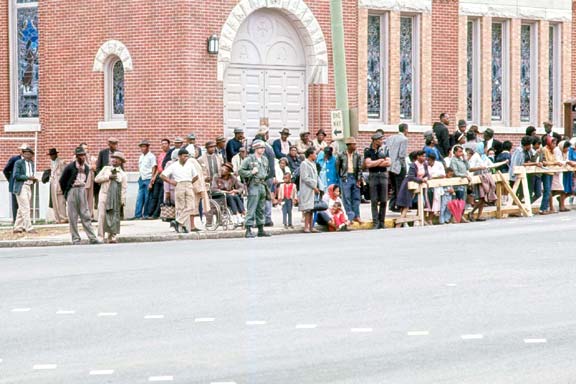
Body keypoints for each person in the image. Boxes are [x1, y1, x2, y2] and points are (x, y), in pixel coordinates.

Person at [59, 147, 101, 244]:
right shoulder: (70, 167)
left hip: (82, 189)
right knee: (73, 216)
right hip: (72, 190)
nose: (82, 157)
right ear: (77, 156)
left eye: (83, 155)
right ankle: (75, 239)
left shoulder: (86, 167)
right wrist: (67, 192)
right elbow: (62, 181)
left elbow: (85, 179)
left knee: (85, 214)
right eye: (80, 155)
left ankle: (92, 238)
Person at [160, 148, 200, 233]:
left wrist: (189, 182)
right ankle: (183, 227)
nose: (186, 158)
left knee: (191, 206)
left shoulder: (190, 165)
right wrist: (171, 181)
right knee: (180, 207)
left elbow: (196, 176)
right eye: (184, 156)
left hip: (189, 184)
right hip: (179, 185)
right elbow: (162, 175)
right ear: (179, 156)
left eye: (187, 156)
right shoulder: (174, 165)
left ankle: (177, 221)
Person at [239, 140, 271, 238]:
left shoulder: (265, 159)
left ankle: (260, 228)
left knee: (261, 208)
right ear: (256, 148)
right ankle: (248, 229)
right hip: (254, 184)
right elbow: (240, 171)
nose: (263, 149)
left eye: (263, 148)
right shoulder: (249, 159)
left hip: (262, 184)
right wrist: (251, 173)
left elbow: (267, 171)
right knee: (251, 207)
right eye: (261, 148)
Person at [94, 152, 127, 243]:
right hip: (104, 194)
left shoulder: (123, 174)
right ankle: (101, 236)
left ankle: (111, 236)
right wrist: (108, 177)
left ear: (120, 161)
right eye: (113, 158)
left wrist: (122, 201)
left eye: (116, 158)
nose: (114, 160)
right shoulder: (106, 169)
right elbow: (96, 179)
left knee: (113, 216)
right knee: (102, 216)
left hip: (115, 197)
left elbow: (124, 188)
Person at [364, 132, 391, 229]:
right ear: (374, 141)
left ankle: (382, 221)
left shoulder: (385, 149)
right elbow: (368, 164)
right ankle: (375, 222)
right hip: (373, 175)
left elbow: (388, 163)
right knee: (374, 200)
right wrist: (380, 161)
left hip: (383, 175)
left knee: (384, 200)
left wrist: (375, 163)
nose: (381, 141)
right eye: (380, 139)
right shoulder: (368, 151)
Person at [251, 126, 276, 226]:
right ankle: (264, 218)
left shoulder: (264, 146)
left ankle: (264, 219)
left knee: (263, 197)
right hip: (266, 175)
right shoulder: (264, 145)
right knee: (264, 197)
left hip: (266, 176)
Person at [396, 151, 429, 226]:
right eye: (423, 156)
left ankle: (417, 220)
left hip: (420, 185)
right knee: (406, 203)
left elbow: (427, 173)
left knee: (422, 203)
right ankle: (402, 222)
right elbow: (411, 176)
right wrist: (420, 180)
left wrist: (426, 178)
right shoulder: (413, 165)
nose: (424, 158)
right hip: (410, 184)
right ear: (418, 157)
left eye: (425, 156)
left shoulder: (425, 164)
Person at [336, 137, 363, 223]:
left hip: (354, 177)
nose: (355, 146)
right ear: (348, 145)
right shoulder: (341, 155)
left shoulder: (357, 155)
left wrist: (359, 179)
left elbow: (360, 168)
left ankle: (357, 215)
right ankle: (349, 216)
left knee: (356, 197)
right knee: (346, 197)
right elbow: (337, 167)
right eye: (353, 144)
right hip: (345, 177)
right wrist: (341, 177)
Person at [12, 147, 37, 234]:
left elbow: (31, 174)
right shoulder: (18, 163)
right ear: (22, 154)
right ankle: (29, 227)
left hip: (29, 186)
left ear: (32, 155)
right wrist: (27, 177)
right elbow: (16, 175)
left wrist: (33, 179)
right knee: (26, 207)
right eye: (25, 153)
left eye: (29, 154)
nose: (27, 155)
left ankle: (17, 227)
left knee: (21, 208)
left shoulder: (32, 163)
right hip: (21, 186)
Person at [467, 143, 493, 222]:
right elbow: (470, 168)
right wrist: (480, 168)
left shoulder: (483, 157)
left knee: (484, 198)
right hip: (478, 177)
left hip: (484, 177)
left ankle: (479, 215)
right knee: (481, 198)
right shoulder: (475, 157)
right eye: (485, 148)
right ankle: (472, 212)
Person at [131, 140, 156, 220]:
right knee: (139, 198)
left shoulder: (151, 156)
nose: (142, 148)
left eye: (144, 146)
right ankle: (137, 215)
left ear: (148, 147)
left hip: (148, 179)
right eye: (141, 147)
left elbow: (154, 167)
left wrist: (152, 180)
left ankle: (145, 215)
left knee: (147, 197)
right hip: (141, 179)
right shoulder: (141, 156)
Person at [386, 123, 409, 212]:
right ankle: (399, 205)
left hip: (390, 165)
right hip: (399, 165)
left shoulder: (390, 138)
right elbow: (402, 155)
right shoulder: (404, 139)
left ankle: (392, 205)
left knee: (393, 186)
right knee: (400, 186)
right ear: (405, 129)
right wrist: (404, 167)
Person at [146, 138, 171, 219]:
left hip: (165, 176)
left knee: (161, 196)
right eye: (162, 144)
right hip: (158, 176)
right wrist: (153, 177)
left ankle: (156, 214)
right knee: (155, 196)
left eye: (165, 143)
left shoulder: (170, 154)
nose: (163, 145)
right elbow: (158, 167)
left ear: (168, 145)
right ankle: (150, 214)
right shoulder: (160, 155)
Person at [3, 144, 27, 224]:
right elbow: (6, 170)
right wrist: (10, 180)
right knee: (15, 203)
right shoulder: (14, 159)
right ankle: (15, 221)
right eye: (23, 151)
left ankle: (23, 221)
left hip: (25, 184)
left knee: (24, 203)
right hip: (15, 184)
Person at [299, 147, 320, 233]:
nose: (316, 155)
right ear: (310, 154)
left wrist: (318, 186)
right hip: (307, 188)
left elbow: (316, 176)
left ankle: (311, 226)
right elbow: (305, 177)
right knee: (307, 209)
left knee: (312, 208)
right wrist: (314, 185)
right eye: (315, 154)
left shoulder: (313, 164)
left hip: (313, 189)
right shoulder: (304, 163)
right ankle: (306, 227)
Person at [95, 137, 120, 206]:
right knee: (104, 200)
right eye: (112, 144)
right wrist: (100, 177)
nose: (114, 145)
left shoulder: (119, 153)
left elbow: (121, 167)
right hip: (105, 178)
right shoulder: (103, 153)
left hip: (115, 177)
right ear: (109, 144)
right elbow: (98, 167)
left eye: (115, 144)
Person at [47, 148, 68, 223]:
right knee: (54, 202)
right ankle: (57, 218)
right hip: (53, 183)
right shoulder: (51, 162)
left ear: (56, 154)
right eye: (50, 155)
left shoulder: (61, 162)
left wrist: (63, 184)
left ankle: (63, 218)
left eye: (52, 155)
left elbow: (65, 174)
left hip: (59, 183)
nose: (51, 156)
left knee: (61, 201)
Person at [79, 143, 96, 219]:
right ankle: (82, 216)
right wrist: (90, 167)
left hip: (91, 179)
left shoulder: (89, 157)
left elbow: (94, 167)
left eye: (87, 148)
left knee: (90, 199)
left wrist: (92, 166)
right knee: (83, 199)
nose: (86, 150)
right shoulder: (77, 157)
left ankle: (90, 216)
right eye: (84, 148)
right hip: (83, 181)